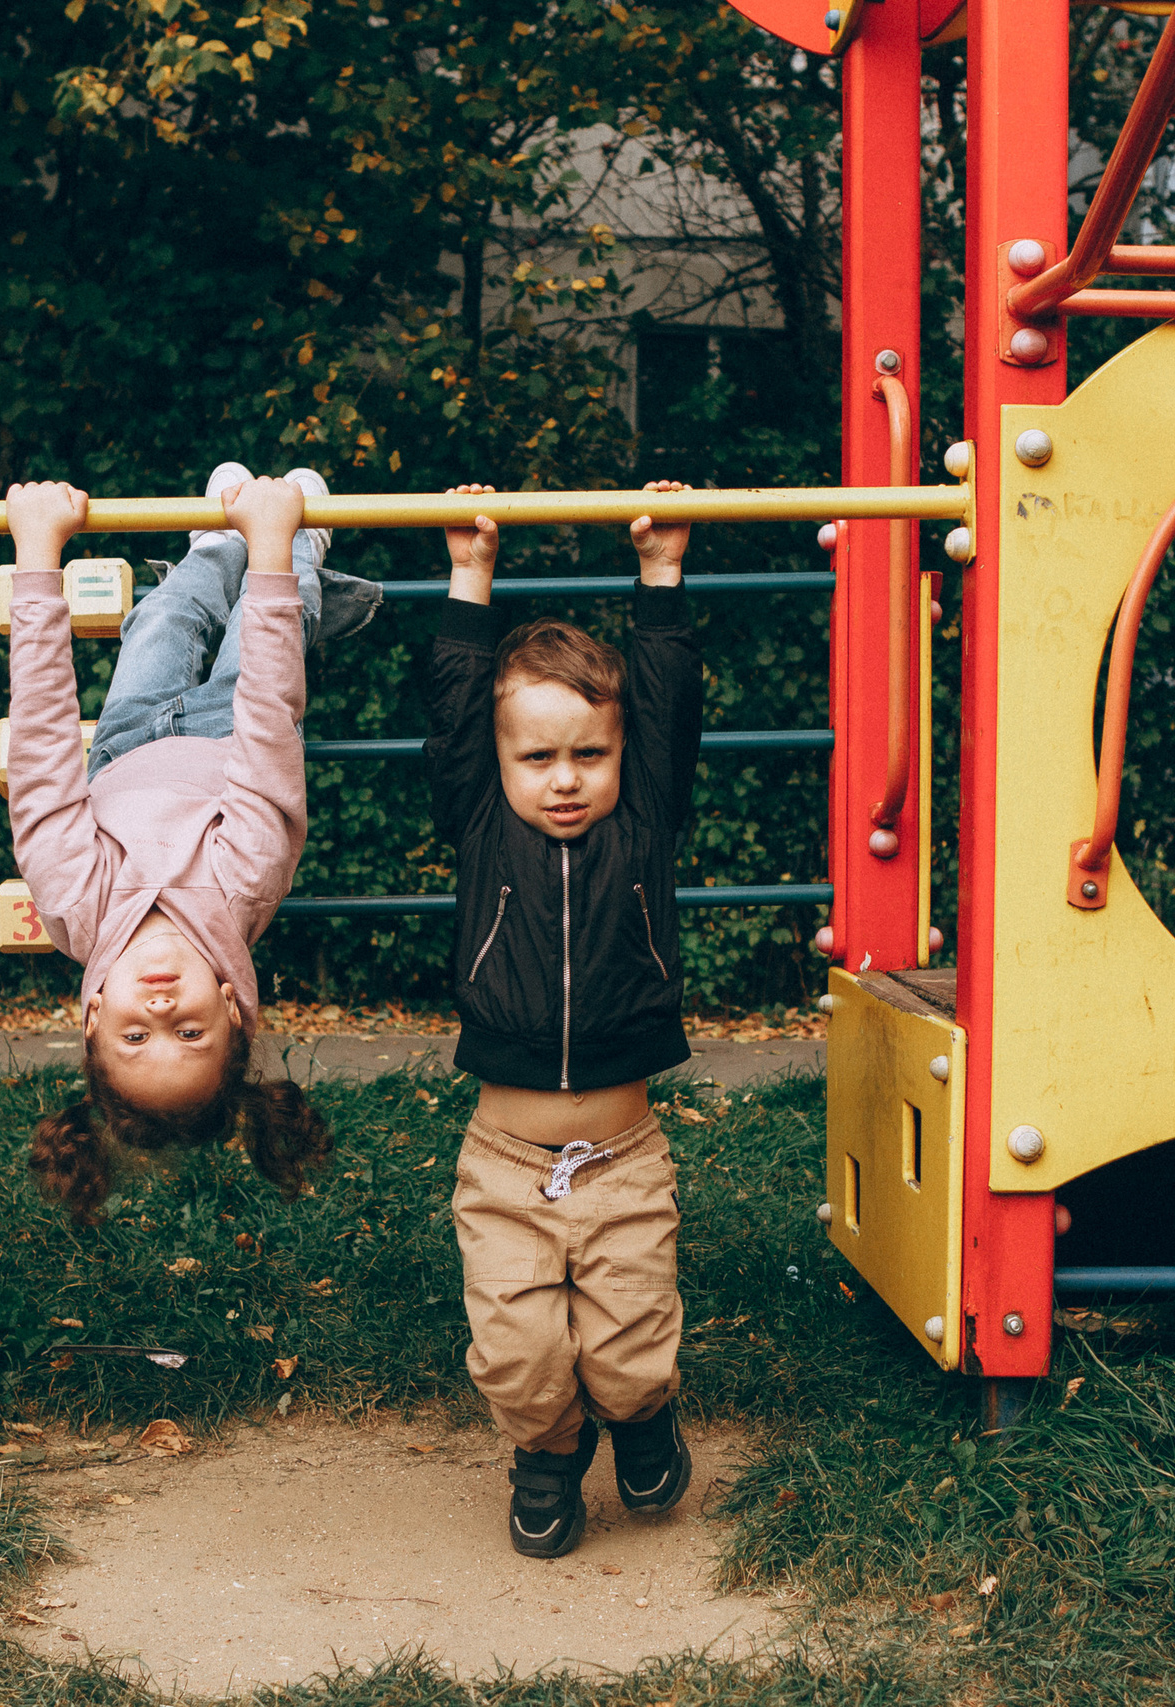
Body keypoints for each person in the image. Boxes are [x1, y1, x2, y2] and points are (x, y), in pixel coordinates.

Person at [424, 479, 705, 1558]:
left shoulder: (645, 818)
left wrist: (663, 572)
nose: (564, 779)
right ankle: (545, 1453)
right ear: (498, 766)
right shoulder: (481, 821)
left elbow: (668, 702)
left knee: (630, 1348)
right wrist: (467, 575)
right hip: (503, 1158)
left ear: (621, 757)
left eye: (588, 753)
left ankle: (639, 1415)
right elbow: (453, 704)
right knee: (516, 1353)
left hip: (625, 1156)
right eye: (536, 757)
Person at [6, 463, 373, 1218]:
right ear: (233, 1009)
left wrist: (37, 565)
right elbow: (270, 716)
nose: (162, 1004)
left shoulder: (77, 901)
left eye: (137, 1033)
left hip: (123, 745)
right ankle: (302, 550)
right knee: (269, 627)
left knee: (162, 618)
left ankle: (212, 549)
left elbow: (41, 748)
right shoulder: (247, 884)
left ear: (94, 1013)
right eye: (190, 1029)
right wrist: (273, 551)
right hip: (235, 736)